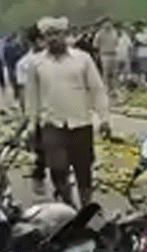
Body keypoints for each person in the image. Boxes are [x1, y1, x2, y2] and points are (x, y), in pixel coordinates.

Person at [24, 17, 109, 207]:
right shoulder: (36, 63)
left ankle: (86, 206)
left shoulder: (82, 59)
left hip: (80, 122)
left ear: (65, 34)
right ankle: (68, 205)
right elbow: (32, 97)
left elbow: (97, 89)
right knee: (57, 168)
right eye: (49, 35)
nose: (53, 38)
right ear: (44, 38)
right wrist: (31, 124)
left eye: (57, 34)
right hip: (52, 123)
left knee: (83, 168)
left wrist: (104, 118)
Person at [16, 24, 47, 195]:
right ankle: (38, 175)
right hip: (37, 110)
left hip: (56, 109)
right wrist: (27, 114)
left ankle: (62, 178)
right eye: (42, 39)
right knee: (41, 147)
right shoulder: (24, 63)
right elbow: (22, 91)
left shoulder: (55, 59)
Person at [93, 19, 120, 92]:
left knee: (114, 73)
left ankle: (114, 88)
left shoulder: (114, 32)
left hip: (114, 54)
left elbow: (117, 43)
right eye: (106, 23)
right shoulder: (99, 34)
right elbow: (95, 45)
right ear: (103, 24)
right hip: (105, 54)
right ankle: (106, 88)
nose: (108, 25)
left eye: (109, 23)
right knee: (106, 73)